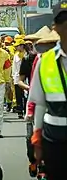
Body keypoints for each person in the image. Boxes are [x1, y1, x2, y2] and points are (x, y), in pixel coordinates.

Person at [29, 2, 67, 179]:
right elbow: (40, 104)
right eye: (63, 19)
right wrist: (37, 138)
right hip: (54, 138)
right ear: (55, 26)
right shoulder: (45, 61)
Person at [12, 39, 27, 119]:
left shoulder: (27, 55)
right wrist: (13, 77)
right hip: (17, 78)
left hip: (25, 78)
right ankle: (20, 111)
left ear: (22, 46)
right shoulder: (16, 55)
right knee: (18, 95)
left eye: (18, 46)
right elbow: (14, 67)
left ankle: (26, 110)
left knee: (25, 95)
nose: (17, 47)